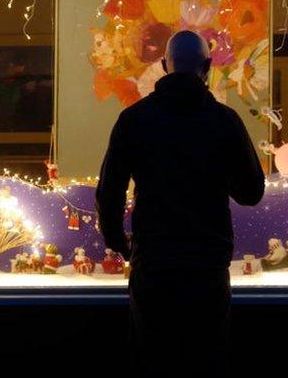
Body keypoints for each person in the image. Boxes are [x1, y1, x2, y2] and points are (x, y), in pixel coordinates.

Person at [95, 30, 265, 377]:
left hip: (154, 262)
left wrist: (120, 244)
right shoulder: (224, 121)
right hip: (207, 265)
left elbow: (109, 191)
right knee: (207, 361)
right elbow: (251, 192)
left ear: (163, 65)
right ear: (207, 65)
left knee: (151, 361)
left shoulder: (135, 119)